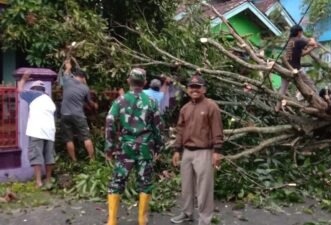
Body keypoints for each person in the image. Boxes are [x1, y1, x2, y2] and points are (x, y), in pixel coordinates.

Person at [104, 68, 164, 225]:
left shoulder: (120, 101)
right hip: (145, 148)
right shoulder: (151, 102)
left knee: (117, 182)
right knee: (145, 183)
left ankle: (111, 221)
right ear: (144, 83)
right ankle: (142, 220)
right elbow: (158, 127)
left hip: (125, 149)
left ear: (128, 81)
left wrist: (109, 148)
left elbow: (110, 122)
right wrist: (158, 147)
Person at [170, 75, 224, 225]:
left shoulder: (211, 106)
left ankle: (205, 219)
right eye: (192, 87)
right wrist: (176, 150)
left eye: (198, 87)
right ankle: (187, 213)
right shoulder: (185, 108)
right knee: (186, 186)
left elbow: (217, 129)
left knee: (204, 188)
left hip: (204, 151)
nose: (194, 90)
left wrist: (217, 151)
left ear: (204, 89)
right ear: (188, 90)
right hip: (187, 151)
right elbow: (180, 130)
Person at [17, 73, 56, 188]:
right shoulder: (49, 99)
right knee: (49, 156)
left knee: (36, 155)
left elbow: (19, 90)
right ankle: (48, 180)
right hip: (50, 131)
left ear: (33, 89)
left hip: (37, 130)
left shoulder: (33, 95)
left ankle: (38, 182)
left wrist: (23, 79)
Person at [60, 60, 98, 161]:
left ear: (74, 76)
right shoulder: (85, 88)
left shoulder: (67, 81)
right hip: (78, 115)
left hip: (65, 114)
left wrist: (68, 67)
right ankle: (92, 159)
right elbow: (89, 103)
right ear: (83, 78)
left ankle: (74, 160)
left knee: (68, 139)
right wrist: (95, 105)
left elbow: (66, 73)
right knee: (86, 137)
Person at [275, 24, 318, 112]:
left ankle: (277, 107)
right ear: (299, 32)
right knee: (311, 86)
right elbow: (313, 42)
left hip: (285, 68)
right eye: (301, 32)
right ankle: (316, 104)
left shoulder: (290, 41)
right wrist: (312, 39)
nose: (302, 34)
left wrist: (312, 48)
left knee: (282, 90)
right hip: (295, 69)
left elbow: (301, 54)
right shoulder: (298, 40)